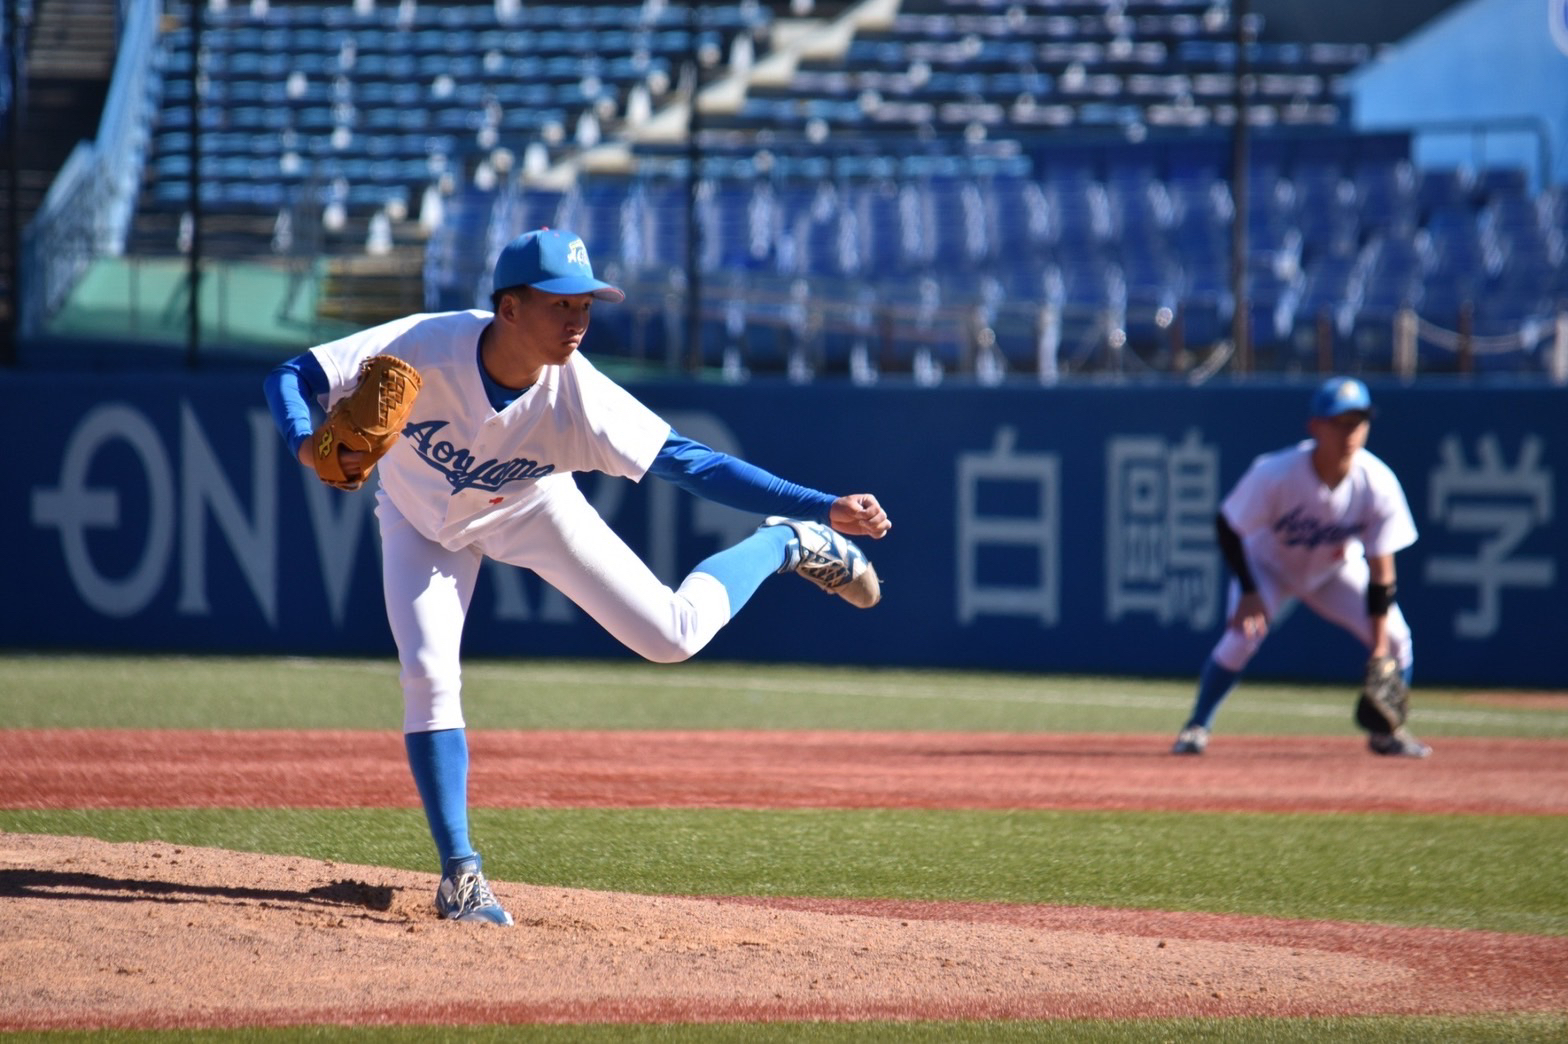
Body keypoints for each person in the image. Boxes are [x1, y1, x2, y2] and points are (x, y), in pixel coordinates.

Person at [264, 228, 891, 924]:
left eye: (586, 304)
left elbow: (700, 466)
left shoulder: (582, 397)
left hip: (531, 508)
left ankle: (783, 546)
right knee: (428, 674)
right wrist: (302, 441)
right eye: (561, 303)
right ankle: (460, 876)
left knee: (673, 635)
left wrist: (822, 507)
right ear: (508, 308)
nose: (579, 319)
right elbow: (293, 376)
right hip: (418, 520)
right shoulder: (423, 345)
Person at [1171, 376, 1429, 758]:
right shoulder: (1276, 473)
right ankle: (1197, 725)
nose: (1349, 432)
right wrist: (1249, 591)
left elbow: (1382, 573)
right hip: (1268, 566)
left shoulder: (1378, 483)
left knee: (1396, 639)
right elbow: (1228, 524)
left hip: (1333, 571)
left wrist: (1377, 649)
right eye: (1339, 421)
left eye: (1358, 421)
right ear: (1315, 426)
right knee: (1243, 636)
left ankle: (1387, 732)